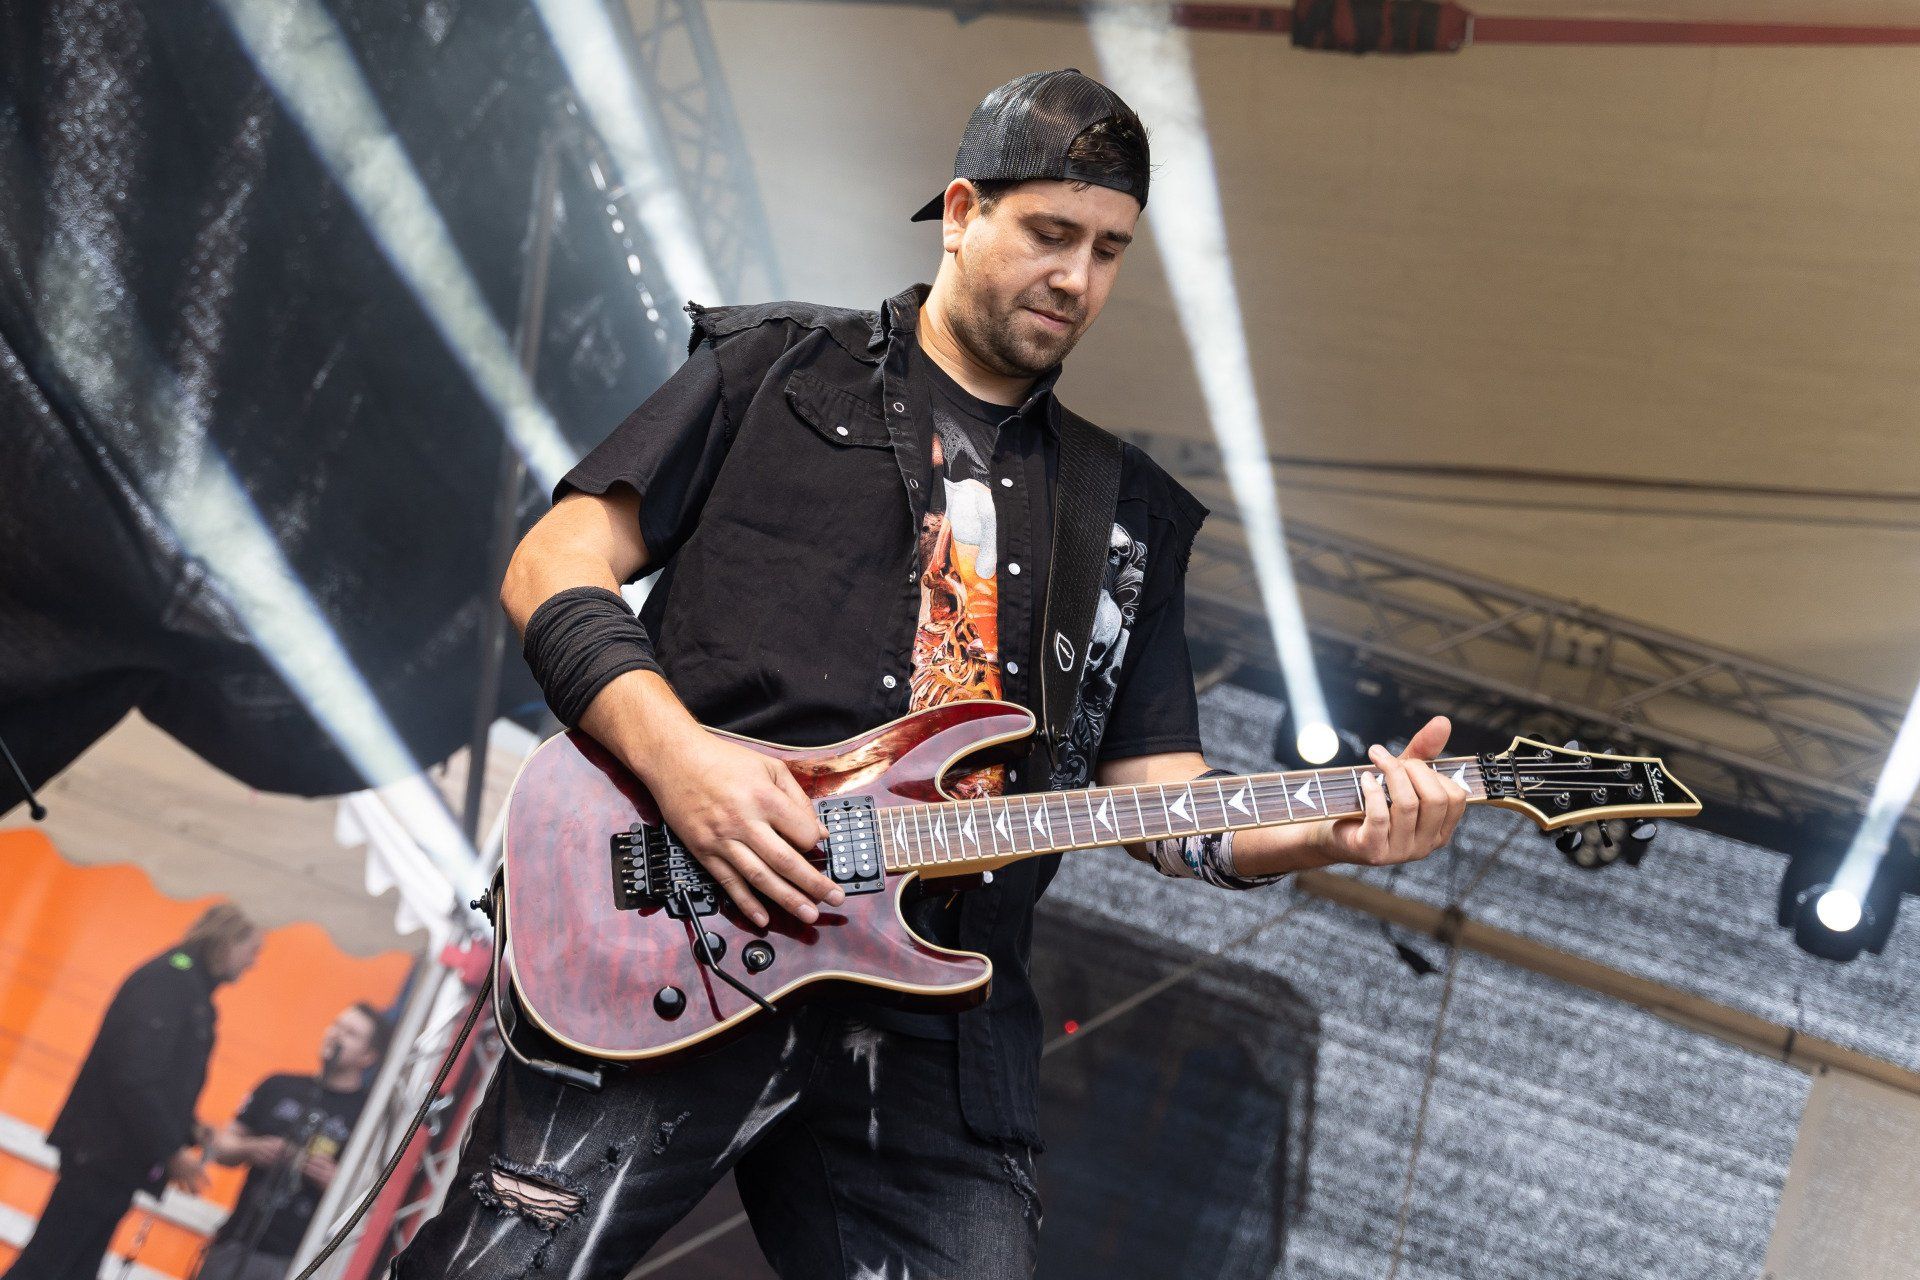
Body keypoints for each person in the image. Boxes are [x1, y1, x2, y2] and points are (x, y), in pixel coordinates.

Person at [395, 69, 1467, 1280]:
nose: (1078, 277)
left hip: (935, 1025)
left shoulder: (1125, 517)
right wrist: (682, 761)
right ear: (962, 212)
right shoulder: (777, 367)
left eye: (1109, 250)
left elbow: (1169, 807)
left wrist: (1334, 833)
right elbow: (553, 562)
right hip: (679, 924)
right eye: (1050, 233)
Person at [6, 905, 262, 1280]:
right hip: (103, 1153)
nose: (253, 963)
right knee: (48, 1264)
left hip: (116, 1158)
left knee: (70, 1266)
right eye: (252, 950)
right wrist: (171, 1149)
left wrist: (189, 1129)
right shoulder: (170, 983)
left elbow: (154, 1079)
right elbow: (133, 1076)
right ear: (227, 941)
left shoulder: (186, 989)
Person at [195, 1004, 389, 1280]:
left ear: (368, 1056)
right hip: (236, 1243)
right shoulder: (279, 1085)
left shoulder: (369, 1115)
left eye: (350, 1033)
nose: (336, 1035)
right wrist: (251, 1148)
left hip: (302, 1259)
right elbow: (221, 1146)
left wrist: (337, 1183)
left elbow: (378, 1199)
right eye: (336, 1025)